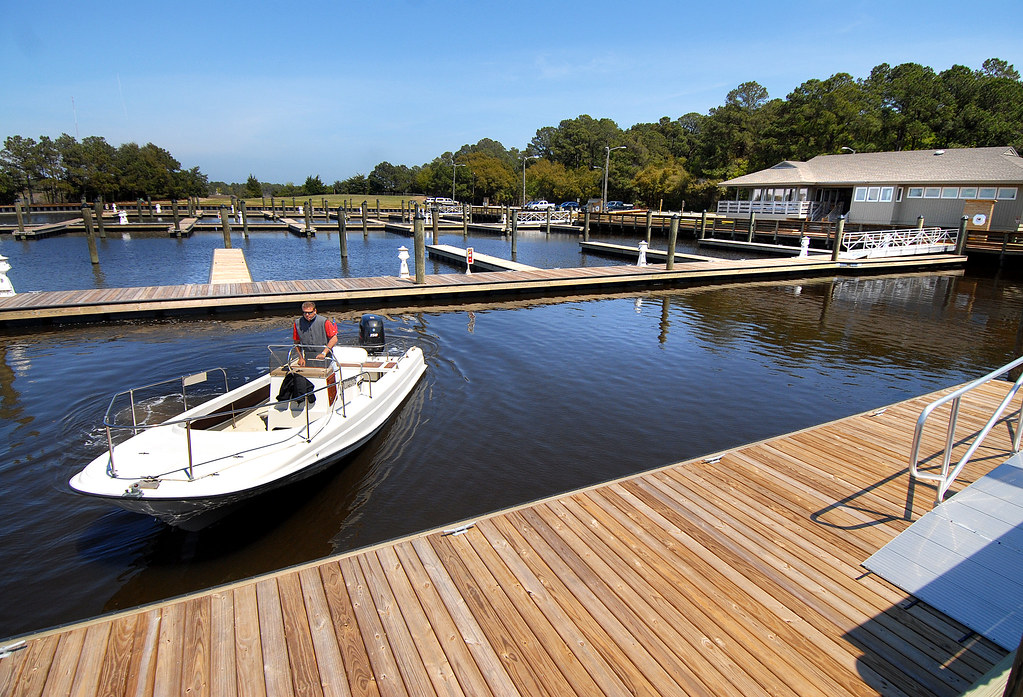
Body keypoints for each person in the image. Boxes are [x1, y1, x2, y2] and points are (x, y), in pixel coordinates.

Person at [292, 301, 337, 366]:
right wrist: (301, 357)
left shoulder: (324, 321)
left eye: (310, 312)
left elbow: (334, 339)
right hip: (308, 357)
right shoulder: (297, 323)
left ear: (315, 311)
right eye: (305, 312)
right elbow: (296, 342)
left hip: (325, 357)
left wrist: (324, 353)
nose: (307, 315)